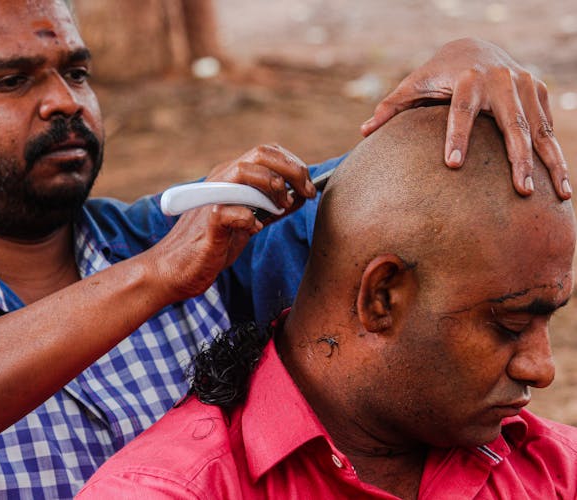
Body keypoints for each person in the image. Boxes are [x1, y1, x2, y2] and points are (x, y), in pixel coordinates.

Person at [0, 0, 570, 497]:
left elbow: (405, 210)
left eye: (76, 73)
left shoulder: (186, 232)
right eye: (13, 81)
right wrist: (152, 279)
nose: (64, 102)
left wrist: (462, 67)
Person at [77, 105, 577, 499]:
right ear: (381, 298)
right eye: (510, 326)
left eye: (547, 323)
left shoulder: (555, 469)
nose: (542, 368)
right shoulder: (170, 490)